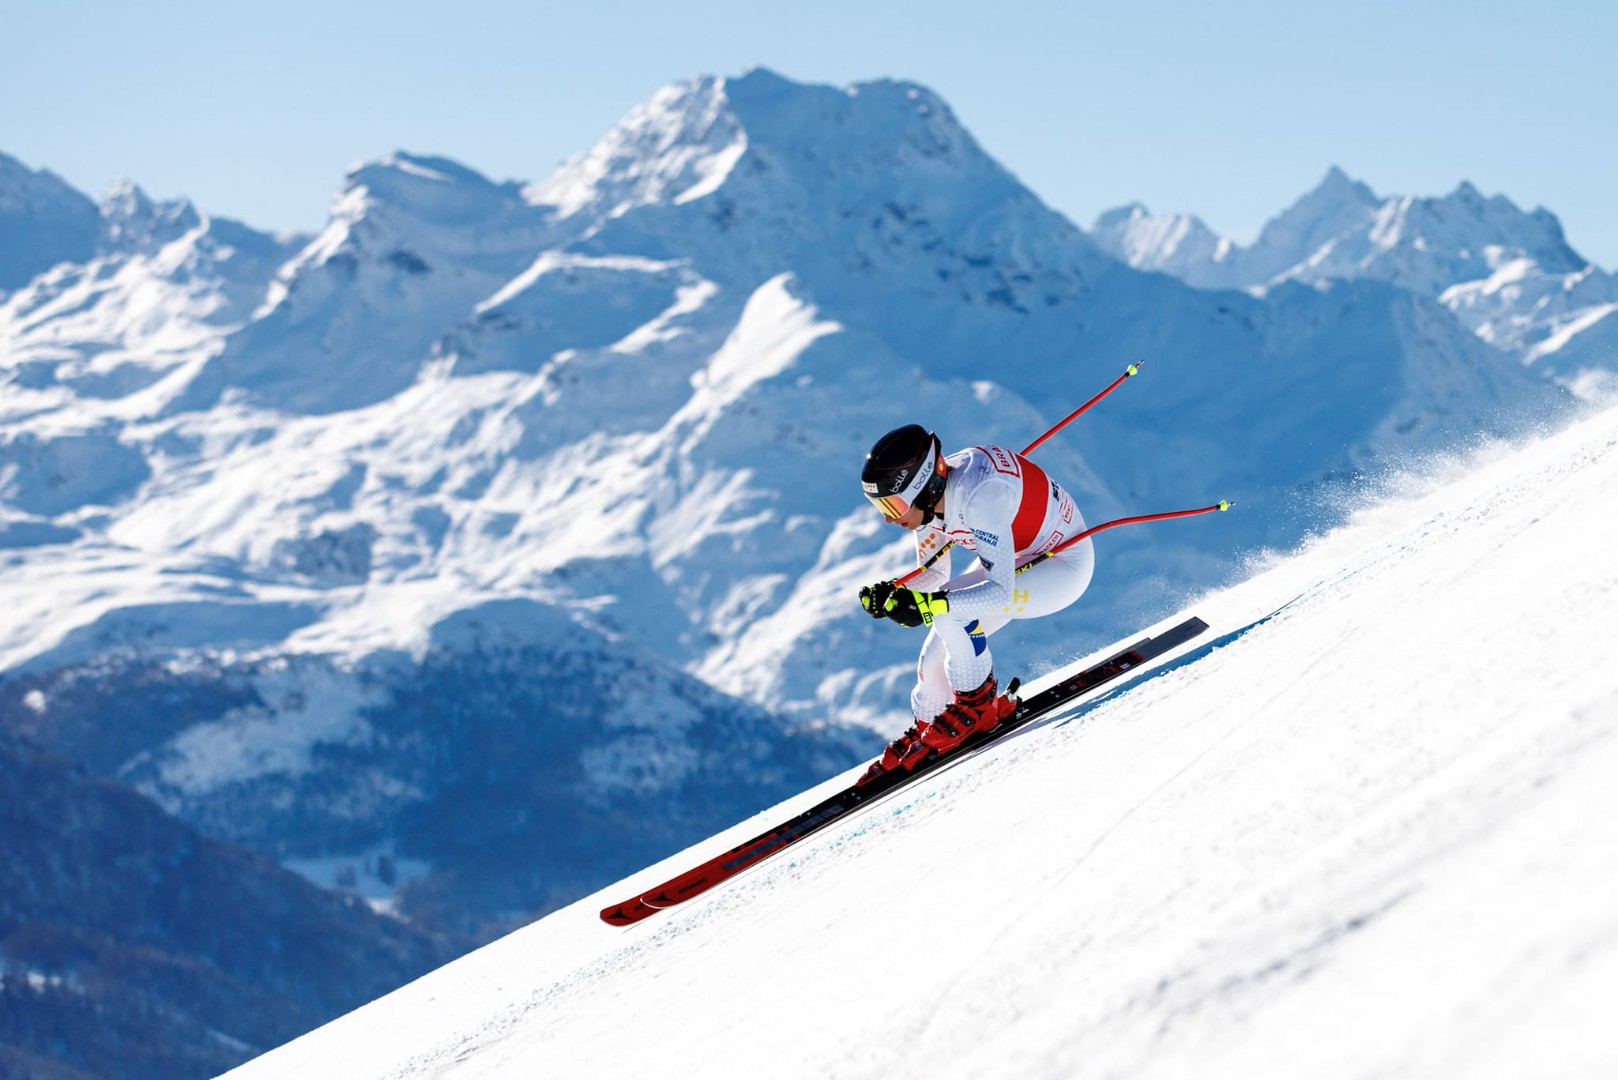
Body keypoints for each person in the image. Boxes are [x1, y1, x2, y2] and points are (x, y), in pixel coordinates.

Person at [856, 424, 1095, 785]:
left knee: (950, 611)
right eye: (881, 506)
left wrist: (922, 607)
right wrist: (895, 595)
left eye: (893, 504)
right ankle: (928, 725)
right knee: (937, 648)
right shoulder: (929, 500)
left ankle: (978, 707)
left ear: (922, 487)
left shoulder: (979, 498)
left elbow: (998, 592)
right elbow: (935, 574)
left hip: (1062, 566)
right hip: (1016, 555)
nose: (889, 518)